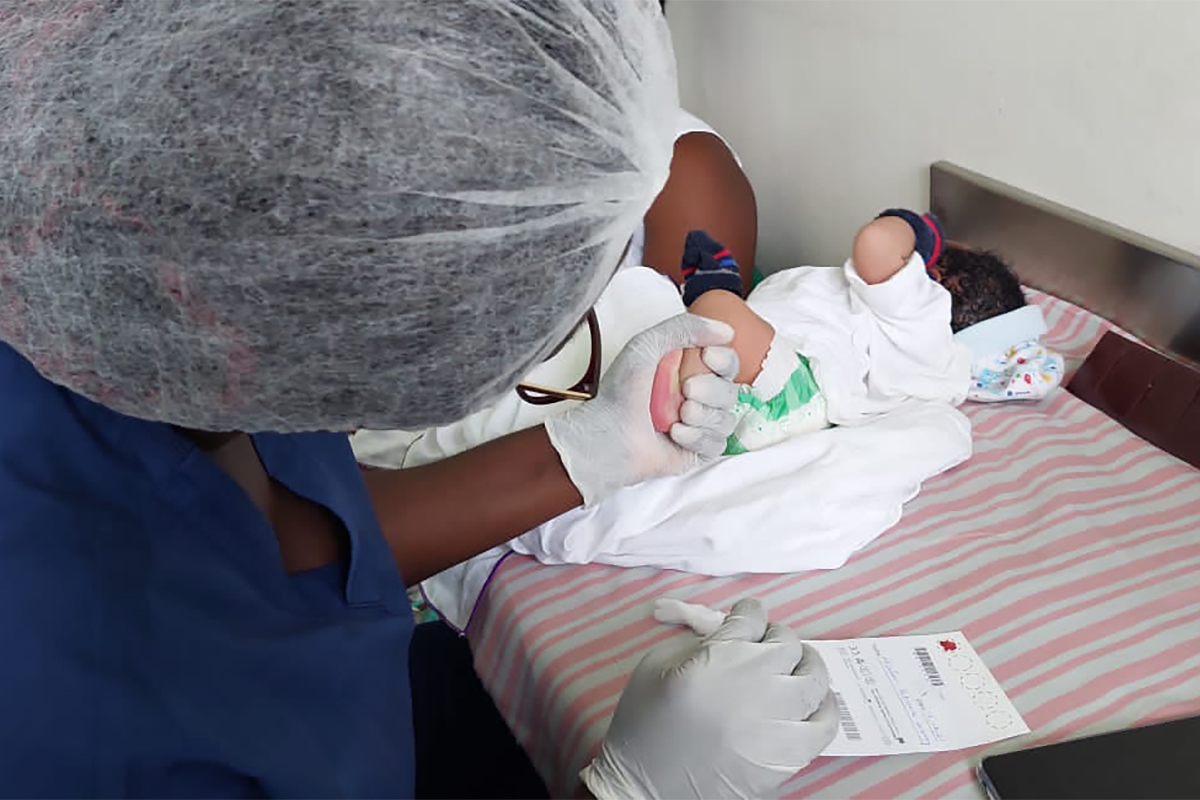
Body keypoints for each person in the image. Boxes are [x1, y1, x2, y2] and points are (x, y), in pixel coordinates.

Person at [0, 2, 836, 798]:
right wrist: (630, 790)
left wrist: (587, 450)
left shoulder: (155, 339)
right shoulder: (87, 722)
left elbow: (277, 537)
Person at [651, 211, 1062, 451]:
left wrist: (921, 230)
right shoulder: (916, 349)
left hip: (791, 392)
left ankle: (711, 290)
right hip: (761, 388)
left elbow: (875, 244)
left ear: (930, 274)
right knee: (680, 319)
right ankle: (697, 319)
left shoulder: (923, 322)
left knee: (717, 316)